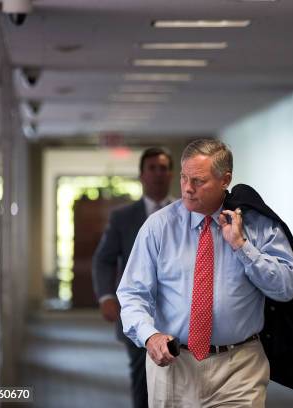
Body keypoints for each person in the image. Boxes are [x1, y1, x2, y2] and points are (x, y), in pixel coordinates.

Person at [117, 139, 293, 407]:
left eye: (199, 181)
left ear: (225, 179)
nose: (187, 189)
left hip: (239, 367)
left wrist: (242, 246)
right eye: (183, 178)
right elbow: (133, 293)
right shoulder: (158, 227)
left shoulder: (257, 226)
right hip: (174, 366)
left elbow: (287, 287)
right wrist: (150, 335)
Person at [92, 147, 174, 408]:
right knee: (144, 380)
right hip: (138, 312)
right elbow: (103, 259)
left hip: (178, 312)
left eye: (163, 168)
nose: (158, 174)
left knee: (179, 379)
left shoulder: (184, 212)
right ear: (141, 175)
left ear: (172, 174)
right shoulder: (123, 217)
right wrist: (106, 296)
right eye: (152, 168)